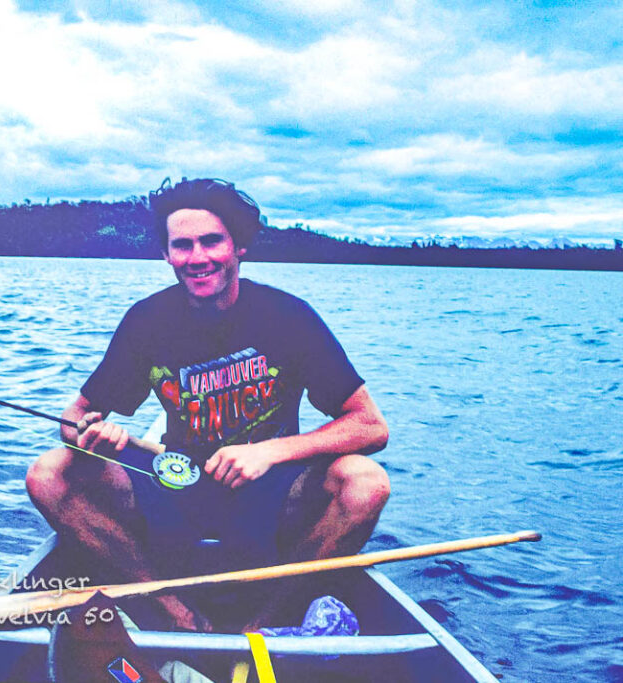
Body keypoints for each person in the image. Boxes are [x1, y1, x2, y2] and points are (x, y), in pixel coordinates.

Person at [26, 178, 389, 634]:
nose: (197, 258)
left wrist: (270, 451)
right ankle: (163, 602)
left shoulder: (288, 317)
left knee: (365, 482)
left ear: (239, 247)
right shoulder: (147, 321)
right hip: (175, 480)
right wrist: (94, 436)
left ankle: (268, 616)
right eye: (182, 245)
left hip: (274, 490)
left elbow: (370, 426)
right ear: (166, 255)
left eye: (212, 241)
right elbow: (74, 417)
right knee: (48, 473)